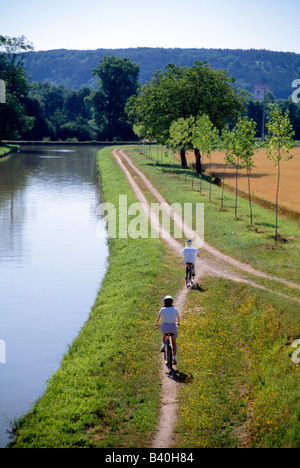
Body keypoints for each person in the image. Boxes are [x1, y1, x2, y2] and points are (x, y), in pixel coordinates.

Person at [156, 295, 180, 364]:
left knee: (164, 335)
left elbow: (159, 318)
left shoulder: (162, 309)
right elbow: (178, 318)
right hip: (173, 327)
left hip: (165, 327)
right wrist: (178, 323)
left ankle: (163, 344)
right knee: (174, 343)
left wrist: (157, 323)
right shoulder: (175, 309)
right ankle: (174, 357)